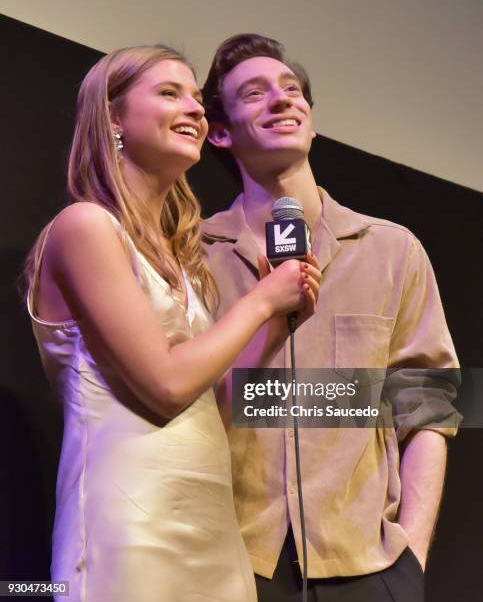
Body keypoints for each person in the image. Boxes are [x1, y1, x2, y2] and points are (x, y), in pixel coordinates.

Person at [22, 44, 321, 602]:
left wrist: (274, 324)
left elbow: (215, 408)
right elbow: (163, 387)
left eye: (195, 97)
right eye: (169, 93)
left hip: (211, 529)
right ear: (112, 117)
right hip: (131, 528)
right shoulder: (84, 227)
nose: (195, 109)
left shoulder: (184, 258)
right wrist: (257, 304)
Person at [201, 33, 461, 601]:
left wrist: (410, 555)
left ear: (312, 121)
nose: (281, 100)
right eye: (254, 93)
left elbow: (431, 409)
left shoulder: (391, 250)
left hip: (366, 564)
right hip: (234, 562)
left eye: (292, 90)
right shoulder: (194, 257)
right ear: (219, 132)